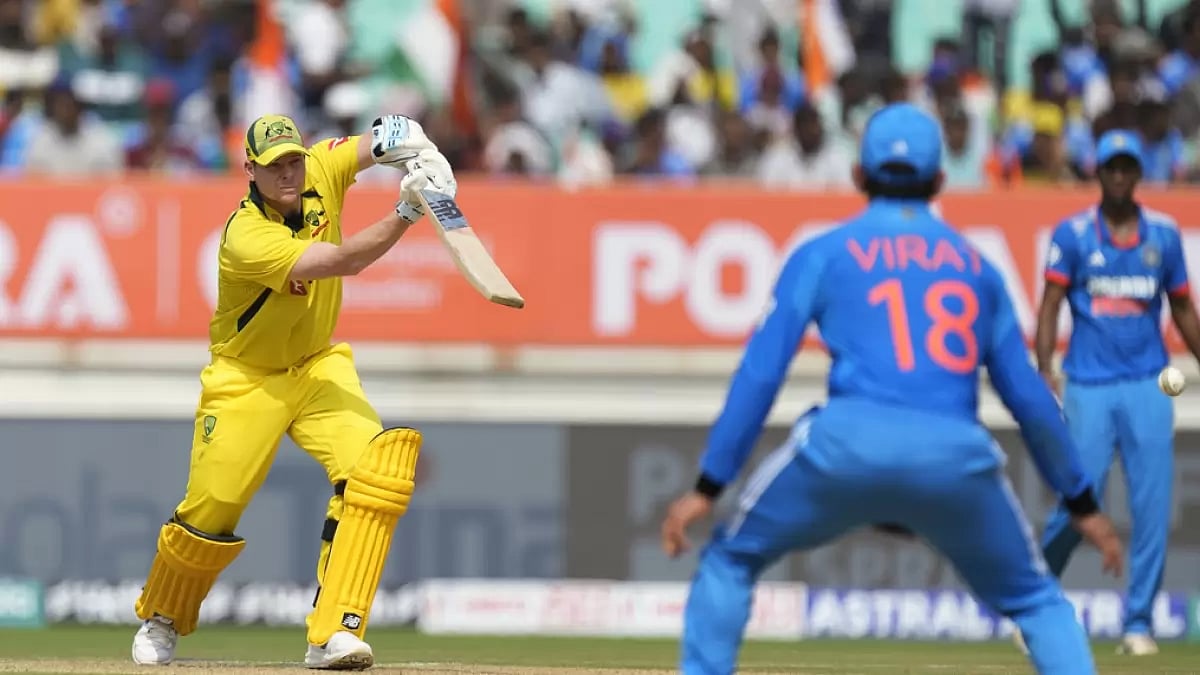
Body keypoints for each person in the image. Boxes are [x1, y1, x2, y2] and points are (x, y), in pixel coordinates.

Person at [659, 103, 1124, 675]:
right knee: (1037, 602)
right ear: (940, 180)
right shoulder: (978, 269)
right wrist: (1081, 503)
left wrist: (708, 485)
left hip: (844, 449)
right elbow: (1029, 400)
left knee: (730, 560)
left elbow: (760, 374)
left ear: (858, 175)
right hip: (955, 458)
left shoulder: (822, 254)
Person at [129, 113, 457, 669]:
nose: (287, 173)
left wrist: (423, 152)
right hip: (246, 378)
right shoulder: (246, 237)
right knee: (212, 508)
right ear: (250, 170)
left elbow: (383, 139)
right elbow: (343, 261)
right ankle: (163, 615)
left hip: (317, 366)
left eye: (292, 161)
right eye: (273, 165)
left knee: (376, 474)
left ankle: (334, 634)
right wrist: (408, 209)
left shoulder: (319, 168)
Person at [1035, 129, 1200, 656]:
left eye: (1129, 167)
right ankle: (1035, 602)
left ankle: (1138, 623)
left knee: (1152, 506)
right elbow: (1050, 304)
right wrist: (1044, 368)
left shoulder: (1163, 237)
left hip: (1148, 384)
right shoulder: (1074, 234)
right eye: (1112, 167)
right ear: (1099, 173)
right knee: (1078, 499)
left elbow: (1182, 307)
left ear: (1139, 173)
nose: (1121, 176)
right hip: (1088, 385)